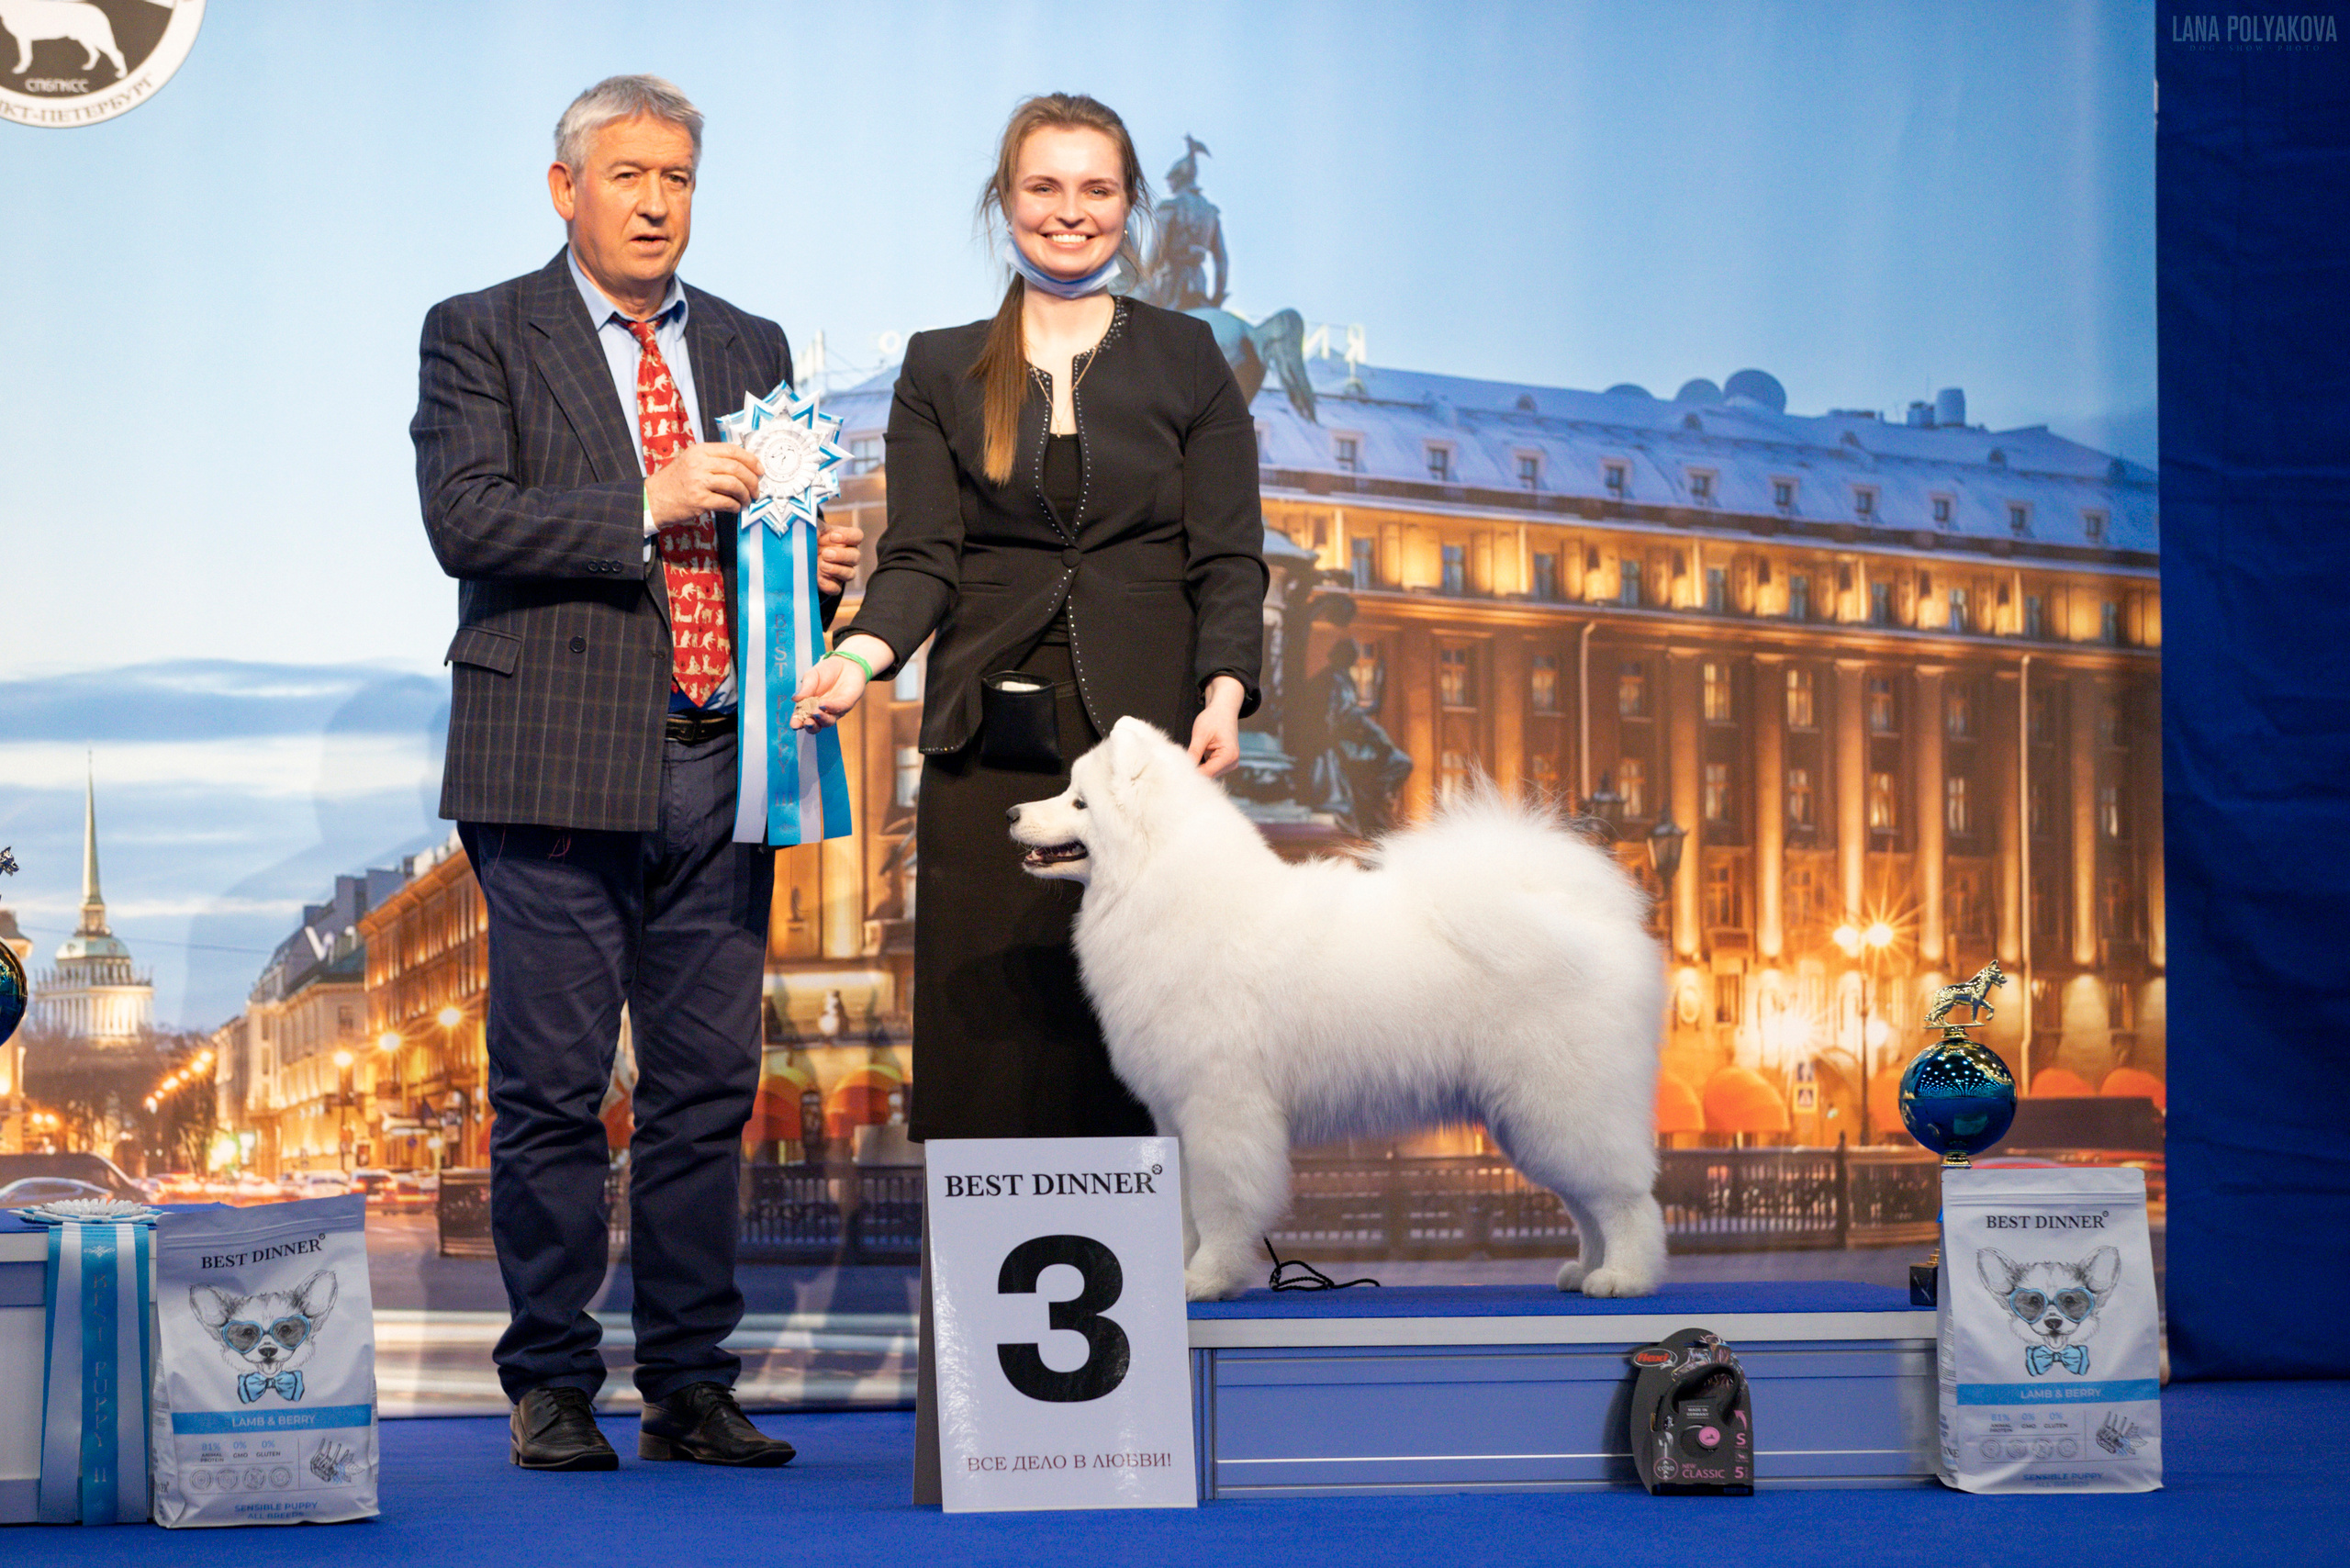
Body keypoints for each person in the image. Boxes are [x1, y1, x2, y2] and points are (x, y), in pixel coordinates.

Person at [409, 74, 860, 1473]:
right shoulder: (480, 330)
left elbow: (769, 534)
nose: (658, 201)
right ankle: (549, 1381)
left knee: (707, 1090)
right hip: (550, 763)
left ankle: (688, 1384)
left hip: (727, 762)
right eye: (628, 175)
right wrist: (643, 502)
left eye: (678, 177)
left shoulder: (748, 339)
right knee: (549, 1091)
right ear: (566, 190)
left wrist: (817, 573)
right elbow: (463, 517)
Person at [794, 90, 1266, 1146]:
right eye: (1043, 186)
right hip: (987, 739)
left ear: (1129, 204)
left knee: (1146, 1032)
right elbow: (921, 558)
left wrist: (1226, 689)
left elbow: (1229, 552)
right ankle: (982, 1300)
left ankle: (1143, 1290)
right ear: (1003, 201)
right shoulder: (937, 366)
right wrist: (861, 659)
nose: (1070, 211)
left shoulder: (1190, 359)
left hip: (1144, 746)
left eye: (1096, 189)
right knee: (992, 1037)